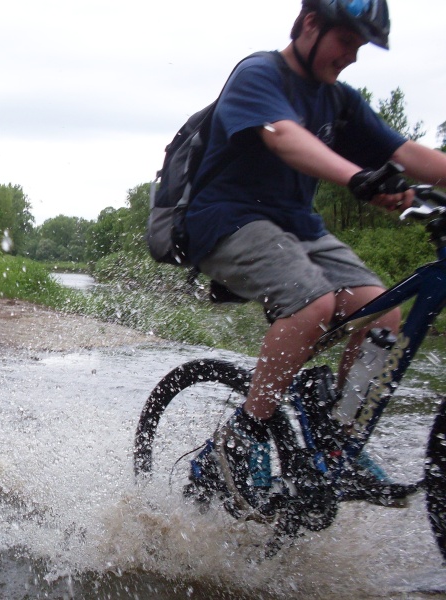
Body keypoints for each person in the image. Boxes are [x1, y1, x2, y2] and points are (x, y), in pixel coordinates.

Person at [184, 0, 446, 513]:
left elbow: (407, 153)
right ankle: (244, 436)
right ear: (309, 25)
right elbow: (283, 137)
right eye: (346, 41)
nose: (352, 56)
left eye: (359, 47)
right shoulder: (259, 74)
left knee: (383, 310)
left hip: (298, 228)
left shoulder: (339, 101)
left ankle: (337, 444)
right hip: (228, 221)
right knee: (313, 303)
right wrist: (355, 176)